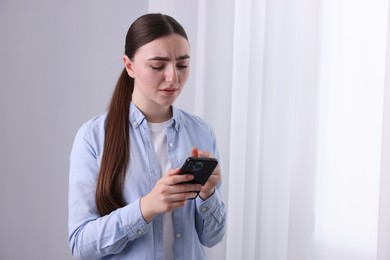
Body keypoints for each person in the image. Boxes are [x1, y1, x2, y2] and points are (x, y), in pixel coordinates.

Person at [68, 13, 226, 260]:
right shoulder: (93, 137)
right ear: (129, 66)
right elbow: (81, 246)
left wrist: (208, 194)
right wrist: (146, 207)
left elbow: (213, 237)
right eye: (157, 66)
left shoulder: (202, 132)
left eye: (182, 64)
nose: (173, 77)